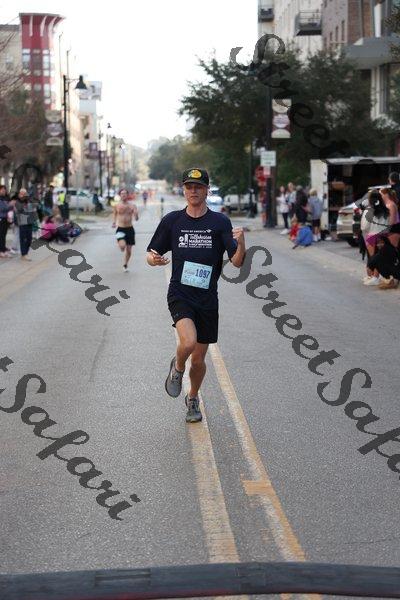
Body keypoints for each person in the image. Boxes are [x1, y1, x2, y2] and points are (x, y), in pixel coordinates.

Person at [146, 168, 246, 424]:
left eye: (198, 187)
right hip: (180, 293)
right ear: (183, 190)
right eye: (189, 186)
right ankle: (178, 368)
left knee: (199, 360)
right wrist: (154, 260)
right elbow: (151, 253)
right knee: (188, 342)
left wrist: (242, 243)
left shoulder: (220, 222)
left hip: (207, 298)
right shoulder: (173, 221)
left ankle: (192, 398)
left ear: (206, 190)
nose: (193, 191)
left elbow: (236, 262)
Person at [362, 189, 394, 286]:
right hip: (384, 236)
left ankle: (375, 277)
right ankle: (378, 276)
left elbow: (364, 227)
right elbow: (389, 224)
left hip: (372, 236)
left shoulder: (369, 210)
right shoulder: (386, 210)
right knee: (380, 257)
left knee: (374, 258)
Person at [112, 188, 139, 272]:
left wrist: (136, 214)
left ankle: (125, 264)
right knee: (122, 247)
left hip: (130, 229)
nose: (123, 195)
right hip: (120, 229)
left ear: (127, 195)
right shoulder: (117, 205)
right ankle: (121, 245)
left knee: (129, 250)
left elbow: (136, 218)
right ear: (120, 195)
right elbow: (115, 214)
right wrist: (114, 222)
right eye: (122, 194)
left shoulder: (132, 205)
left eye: (125, 193)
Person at [15, 188, 39, 261]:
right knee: (23, 239)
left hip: (29, 221)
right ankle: (23, 254)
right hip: (22, 222)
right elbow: (20, 208)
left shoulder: (28, 200)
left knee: (29, 239)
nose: (23, 195)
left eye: (25, 194)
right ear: (19, 194)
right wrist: (25, 203)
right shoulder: (17, 201)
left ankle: (26, 253)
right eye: (22, 194)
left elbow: (36, 205)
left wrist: (29, 199)